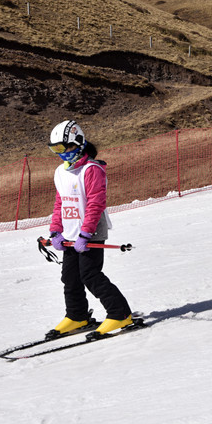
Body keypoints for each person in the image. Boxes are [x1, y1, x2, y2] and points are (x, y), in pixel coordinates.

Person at [46, 120, 134, 340]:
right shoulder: (60, 172)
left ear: (78, 143)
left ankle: (120, 313)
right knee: (70, 277)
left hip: (90, 232)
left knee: (90, 275)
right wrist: (56, 230)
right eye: (55, 149)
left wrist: (86, 233)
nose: (60, 153)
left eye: (63, 147)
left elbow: (96, 203)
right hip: (70, 233)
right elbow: (60, 203)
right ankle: (77, 316)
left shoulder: (91, 169)